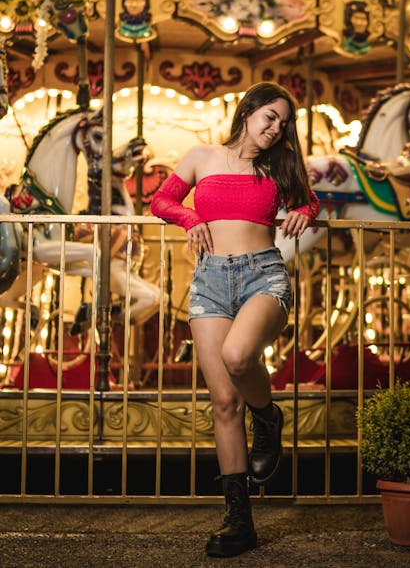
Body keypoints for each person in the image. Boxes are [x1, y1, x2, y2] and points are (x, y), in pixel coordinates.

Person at [150, 82, 319, 558]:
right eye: (269, 116)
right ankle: (239, 520)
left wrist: (304, 212)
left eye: (283, 123)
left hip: (263, 275)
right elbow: (161, 201)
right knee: (224, 402)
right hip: (209, 281)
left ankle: (267, 416)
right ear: (247, 111)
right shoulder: (202, 156)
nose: (275, 128)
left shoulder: (281, 164)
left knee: (239, 355)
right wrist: (189, 219)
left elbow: (309, 202)